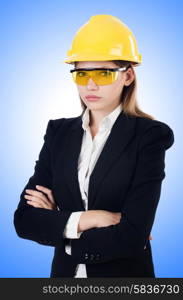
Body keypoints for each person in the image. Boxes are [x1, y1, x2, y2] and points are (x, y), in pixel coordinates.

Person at [14, 14, 174, 278]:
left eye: (104, 73)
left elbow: (133, 236)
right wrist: (92, 218)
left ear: (128, 76)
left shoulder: (149, 136)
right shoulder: (58, 133)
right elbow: (25, 221)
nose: (90, 84)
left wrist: (61, 224)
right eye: (82, 73)